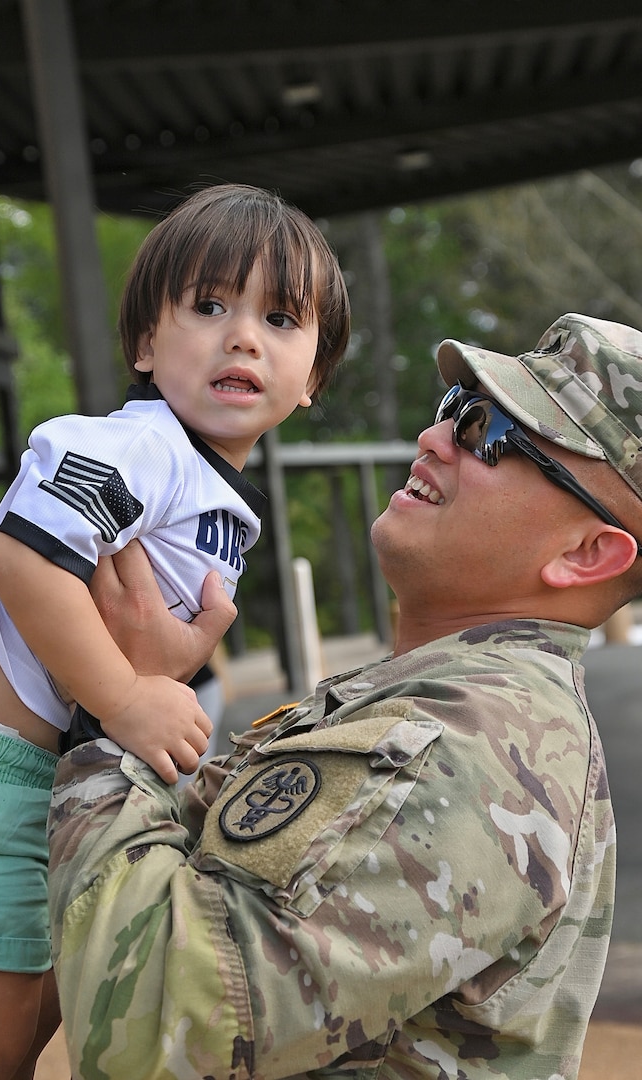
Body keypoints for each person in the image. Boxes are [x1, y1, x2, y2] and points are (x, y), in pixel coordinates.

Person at [47, 312, 642, 1080]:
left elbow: (154, 1020)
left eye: (491, 431)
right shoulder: (433, 699)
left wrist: (115, 712)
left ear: (587, 553)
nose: (438, 440)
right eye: (453, 411)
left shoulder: (470, 742)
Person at [0, 182, 350, 1080]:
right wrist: (128, 698)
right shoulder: (136, 446)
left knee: (38, 1019)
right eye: (208, 306)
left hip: (38, 777)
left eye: (280, 317)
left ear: (314, 377)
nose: (242, 336)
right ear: (146, 346)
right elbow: (23, 559)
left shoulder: (214, 494)